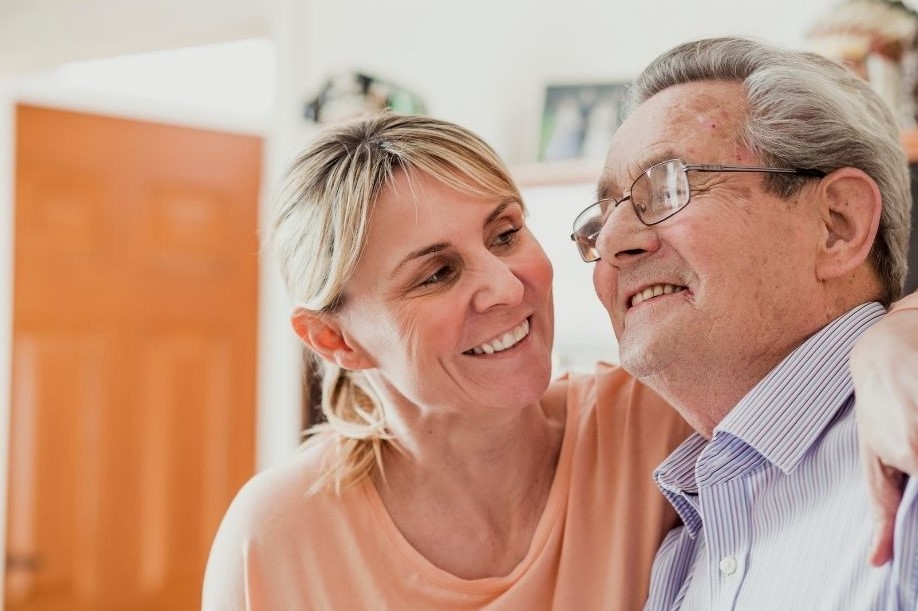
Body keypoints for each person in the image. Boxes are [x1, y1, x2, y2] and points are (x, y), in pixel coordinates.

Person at [202, 112, 918, 610]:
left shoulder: (655, 416)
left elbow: (809, 335)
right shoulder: (277, 536)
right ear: (335, 341)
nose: (507, 286)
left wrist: (896, 332)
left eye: (506, 233)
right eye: (437, 273)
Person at [570, 35, 918, 609]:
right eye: (601, 219)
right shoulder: (676, 552)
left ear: (837, 224)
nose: (612, 244)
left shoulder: (903, 450)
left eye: (668, 187)